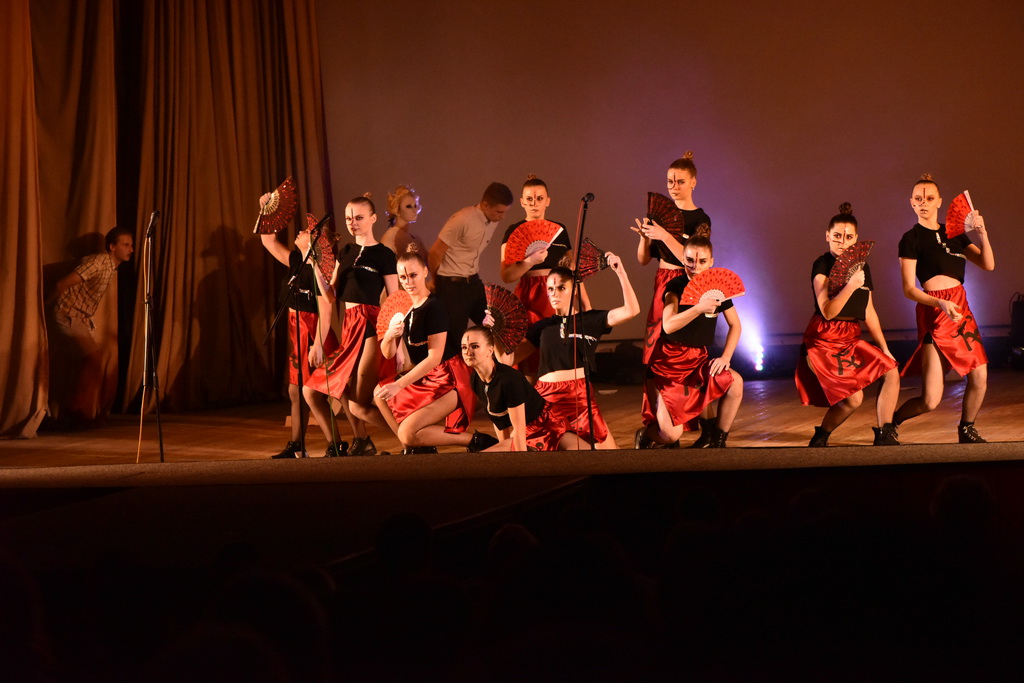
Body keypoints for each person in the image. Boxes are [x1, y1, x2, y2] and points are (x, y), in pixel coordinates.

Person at [893, 174, 995, 443]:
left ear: (939, 201)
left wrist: (982, 234)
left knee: (980, 373)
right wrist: (940, 302)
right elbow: (908, 289)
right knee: (930, 400)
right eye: (918, 199)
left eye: (929, 198)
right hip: (934, 310)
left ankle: (966, 428)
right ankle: (890, 423)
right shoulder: (911, 238)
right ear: (911, 203)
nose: (923, 203)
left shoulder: (955, 234)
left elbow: (988, 264)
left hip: (960, 308)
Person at [794, 203, 900, 447]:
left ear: (856, 238)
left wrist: (884, 348)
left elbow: (869, 311)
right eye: (837, 236)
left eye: (849, 237)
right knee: (853, 399)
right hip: (824, 337)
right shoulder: (822, 264)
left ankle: (884, 434)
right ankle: (821, 436)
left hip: (850, 336)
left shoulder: (862, 266)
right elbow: (828, 311)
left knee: (891, 370)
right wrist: (851, 286)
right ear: (827, 236)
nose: (843, 242)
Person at [374, 246, 497, 453]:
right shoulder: (405, 309)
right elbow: (388, 353)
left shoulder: (434, 307)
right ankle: (413, 449)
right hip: (428, 375)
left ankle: (476, 441)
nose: (408, 282)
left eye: (413, 275)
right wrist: (389, 336)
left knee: (407, 431)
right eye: (403, 277)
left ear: (424, 272)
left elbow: (435, 357)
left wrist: (400, 384)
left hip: (449, 376)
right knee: (379, 394)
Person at [304, 196, 399, 457]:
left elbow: (395, 300)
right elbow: (330, 295)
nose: (352, 223)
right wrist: (315, 266)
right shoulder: (346, 251)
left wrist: (397, 344)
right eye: (348, 218)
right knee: (312, 391)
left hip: (371, 325)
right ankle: (353, 443)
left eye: (358, 217)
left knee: (358, 404)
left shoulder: (384, 254)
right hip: (350, 325)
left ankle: (410, 438)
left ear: (373, 219)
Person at [516, 257, 640, 449]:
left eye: (561, 288)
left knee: (610, 454)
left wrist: (621, 273)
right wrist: (496, 332)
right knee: (544, 447)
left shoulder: (590, 320)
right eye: (550, 289)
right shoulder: (542, 327)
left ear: (574, 290)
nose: (555, 293)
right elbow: (508, 359)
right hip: (547, 398)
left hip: (579, 396)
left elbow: (631, 310)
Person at [635, 236, 744, 449]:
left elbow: (735, 325)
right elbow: (668, 325)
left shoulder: (717, 287)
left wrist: (726, 357)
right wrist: (698, 308)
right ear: (683, 259)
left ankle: (717, 442)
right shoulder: (675, 286)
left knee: (736, 382)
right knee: (670, 435)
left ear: (711, 261)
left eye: (702, 261)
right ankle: (645, 435)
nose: (695, 267)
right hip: (669, 364)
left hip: (698, 360)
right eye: (690, 260)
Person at [258, 198, 333, 458]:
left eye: (306, 231)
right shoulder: (294, 261)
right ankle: (297, 444)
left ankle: (335, 444)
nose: (300, 231)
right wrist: (268, 210)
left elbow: (326, 308)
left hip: (313, 332)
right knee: (295, 390)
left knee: (316, 392)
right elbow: (268, 241)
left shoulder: (318, 271)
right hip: (296, 331)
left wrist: (318, 343)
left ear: (315, 241)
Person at [499, 175, 588, 375]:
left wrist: (585, 304)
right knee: (530, 353)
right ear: (522, 202)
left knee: (558, 348)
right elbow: (506, 275)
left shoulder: (559, 230)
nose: (534, 203)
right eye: (529, 199)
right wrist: (529, 261)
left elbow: (572, 270)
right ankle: (531, 393)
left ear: (548, 201)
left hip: (557, 291)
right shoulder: (513, 231)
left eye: (539, 198)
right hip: (529, 295)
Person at [48, 226, 135, 427]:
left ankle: (78, 410)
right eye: (126, 245)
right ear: (112, 247)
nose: (131, 249)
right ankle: (75, 411)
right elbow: (62, 284)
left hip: (79, 317)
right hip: (68, 313)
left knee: (90, 361)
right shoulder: (98, 262)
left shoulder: (110, 267)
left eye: (131, 245)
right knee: (94, 359)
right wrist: (45, 303)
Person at [632, 151, 712, 365]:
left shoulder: (700, 219)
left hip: (687, 281)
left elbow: (691, 261)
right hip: (662, 278)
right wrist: (644, 238)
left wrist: (665, 235)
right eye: (670, 182)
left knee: (681, 337)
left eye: (680, 182)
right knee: (657, 335)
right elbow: (643, 260)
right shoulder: (658, 216)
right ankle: (658, 382)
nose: (674, 187)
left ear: (693, 182)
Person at [428, 182, 513, 359]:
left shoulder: (492, 221)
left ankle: (493, 368)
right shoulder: (462, 219)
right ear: (485, 205)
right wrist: (436, 280)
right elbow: (435, 252)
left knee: (494, 323)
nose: (502, 217)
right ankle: (456, 374)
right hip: (451, 285)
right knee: (455, 337)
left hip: (473, 282)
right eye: (499, 212)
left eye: (505, 212)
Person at [462, 326, 580, 452]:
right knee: (485, 458)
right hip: (526, 431)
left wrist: (519, 461)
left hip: (548, 424)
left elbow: (519, 429)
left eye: (475, 346)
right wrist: (504, 451)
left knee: (584, 458)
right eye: (464, 347)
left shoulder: (509, 379)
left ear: (490, 350)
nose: (467, 352)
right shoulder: (475, 379)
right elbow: (499, 422)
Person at [380, 184, 426, 257]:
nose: (414, 210)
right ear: (397, 210)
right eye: (408, 206)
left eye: (415, 206)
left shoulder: (416, 239)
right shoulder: (390, 238)